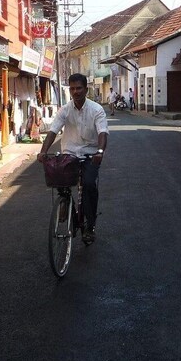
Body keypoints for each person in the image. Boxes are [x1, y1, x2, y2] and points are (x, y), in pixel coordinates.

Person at [38, 73, 108, 244]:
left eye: (79, 88)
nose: (75, 92)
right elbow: (53, 131)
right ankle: (64, 201)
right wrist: (43, 151)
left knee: (89, 185)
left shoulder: (96, 109)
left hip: (90, 155)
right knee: (58, 177)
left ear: (86, 89)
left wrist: (99, 151)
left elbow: (103, 132)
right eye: (72, 88)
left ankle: (89, 226)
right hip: (69, 153)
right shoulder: (65, 110)